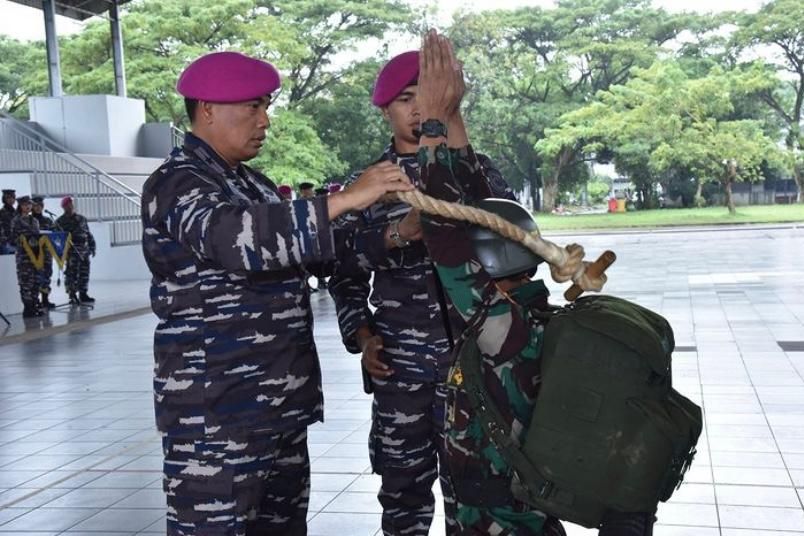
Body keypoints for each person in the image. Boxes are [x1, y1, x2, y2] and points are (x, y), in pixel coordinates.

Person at [140, 50, 413, 536]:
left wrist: (397, 230)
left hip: (278, 410)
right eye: (253, 108)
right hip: (217, 418)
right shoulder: (178, 183)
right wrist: (345, 198)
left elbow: (322, 256)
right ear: (207, 109)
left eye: (266, 107)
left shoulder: (258, 187)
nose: (265, 120)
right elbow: (235, 239)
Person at [415, 30, 655, 536]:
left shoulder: (504, 331)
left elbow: (446, 237)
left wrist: (432, 126)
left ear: (487, 274)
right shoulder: (535, 318)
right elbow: (484, 215)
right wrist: (455, 119)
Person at [328, 49, 514, 536]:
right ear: (384, 109)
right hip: (402, 372)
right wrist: (363, 336)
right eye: (406, 99)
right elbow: (343, 271)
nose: (417, 109)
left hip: (477, 365)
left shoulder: (475, 172)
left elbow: (512, 242)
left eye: (427, 98)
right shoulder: (367, 184)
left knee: (480, 495)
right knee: (403, 499)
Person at [56, 196, 96, 305]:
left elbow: (88, 233)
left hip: (84, 250)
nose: (71, 205)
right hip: (71, 252)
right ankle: (72, 294)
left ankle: (83, 293)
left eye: (72, 203)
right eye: (68, 204)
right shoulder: (60, 221)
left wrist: (92, 246)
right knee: (71, 273)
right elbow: (58, 239)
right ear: (64, 207)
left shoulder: (81, 218)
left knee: (84, 273)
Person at [11, 195, 42, 317]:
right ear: (20, 206)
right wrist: (22, 240)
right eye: (25, 204)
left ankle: (34, 305)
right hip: (23, 257)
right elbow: (13, 238)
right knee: (25, 283)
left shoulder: (34, 221)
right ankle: (28, 308)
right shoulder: (16, 220)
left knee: (35, 282)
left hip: (35, 256)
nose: (28, 206)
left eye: (29, 204)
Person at [31, 196, 56, 309]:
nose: (38, 208)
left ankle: (45, 300)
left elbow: (54, 235)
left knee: (47, 275)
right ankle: (35, 301)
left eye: (40, 206)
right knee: (36, 277)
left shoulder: (47, 220)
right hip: (34, 253)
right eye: (35, 206)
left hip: (46, 252)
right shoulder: (29, 220)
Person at [1, 188, 16, 254]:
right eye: (8, 198)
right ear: (4, 199)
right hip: (4, 244)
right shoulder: (1, 213)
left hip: (16, 243)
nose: (11, 200)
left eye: (12, 198)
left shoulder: (17, 213)